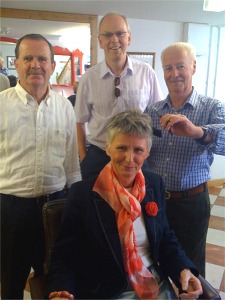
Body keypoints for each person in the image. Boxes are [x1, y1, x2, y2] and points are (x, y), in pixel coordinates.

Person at [46, 109, 203, 300]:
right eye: (121, 148)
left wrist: (182, 268)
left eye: (138, 150)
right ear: (108, 147)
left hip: (154, 282)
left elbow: (165, 239)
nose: (129, 159)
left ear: (147, 153)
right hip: (107, 289)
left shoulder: (154, 185)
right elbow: (65, 254)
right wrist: (61, 291)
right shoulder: (83, 194)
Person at [0, 33, 81, 299]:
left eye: (42, 59)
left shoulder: (64, 108)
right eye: (28, 58)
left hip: (54, 207)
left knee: (53, 282)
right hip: (11, 210)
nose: (36, 65)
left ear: (52, 65)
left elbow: (71, 164)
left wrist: (76, 205)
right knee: (10, 282)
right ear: (17, 63)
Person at [147, 42, 225, 277]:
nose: (174, 74)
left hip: (192, 203)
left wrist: (196, 132)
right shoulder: (152, 111)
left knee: (191, 267)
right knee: (155, 261)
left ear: (193, 67)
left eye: (180, 66)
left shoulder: (212, 107)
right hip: (156, 202)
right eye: (168, 68)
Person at [75, 12, 163, 180]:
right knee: (96, 205)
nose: (114, 40)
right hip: (99, 157)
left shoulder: (146, 73)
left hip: (136, 157)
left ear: (129, 38)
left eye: (120, 34)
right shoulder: (89, 78)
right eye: (107, 35)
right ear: (100, 41)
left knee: (136, 204)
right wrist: (84, 158)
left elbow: (157, 115)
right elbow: (80, 121)